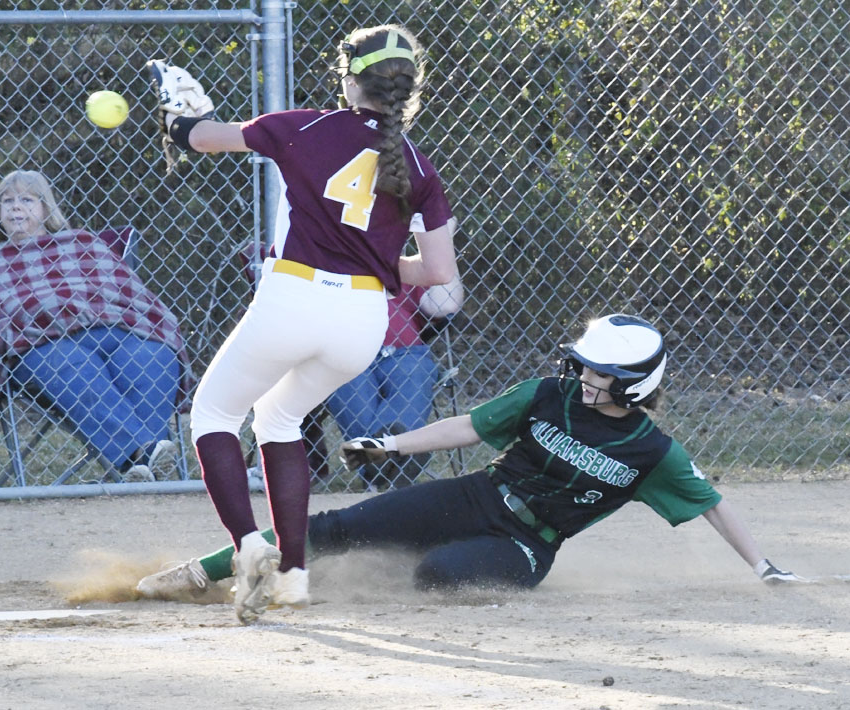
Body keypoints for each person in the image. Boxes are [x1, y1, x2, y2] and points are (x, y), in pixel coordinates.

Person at [136, 313, 804, 605]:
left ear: (634, 387)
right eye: (584, 365)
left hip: (525, 544)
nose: (582, 376)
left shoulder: (651, 450)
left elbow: (712, 505)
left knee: (440, 575)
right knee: (334, 527)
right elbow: (468, 426)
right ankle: (207, 570)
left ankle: (314, 586)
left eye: (599, 372)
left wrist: (763, 566)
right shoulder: (549, 395)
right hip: (476, 495)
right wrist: (392, 443)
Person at [146, 23, 458, 624]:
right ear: (408, 89)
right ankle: (292, 577)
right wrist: (370, 256)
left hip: (294, 296)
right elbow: (438, 270)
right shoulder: (418, 164)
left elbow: (196, 139)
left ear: (350, 80)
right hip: (364, 320)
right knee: (280, 418)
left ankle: (249, 545)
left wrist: (180, 115)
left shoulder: (304, 125)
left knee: (214, 415)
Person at [0, 170, 193, 489]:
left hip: (116, 328)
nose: (14, 207)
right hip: (39, 344)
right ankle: (146, 457)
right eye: (6, 201)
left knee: (154, 355)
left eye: (26, 199)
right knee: (76, 366)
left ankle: (143, 466)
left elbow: (129, 293)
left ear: (46, 208)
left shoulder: (82, 242)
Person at [248, 273, 464, 492]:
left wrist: (444, 245)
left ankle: (374, 460)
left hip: (406, 354)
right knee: (342, 375)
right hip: (345, 352)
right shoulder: (325, 269)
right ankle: (395, 459)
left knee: (415, 373)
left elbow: (445, 306)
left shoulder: (405, 269)